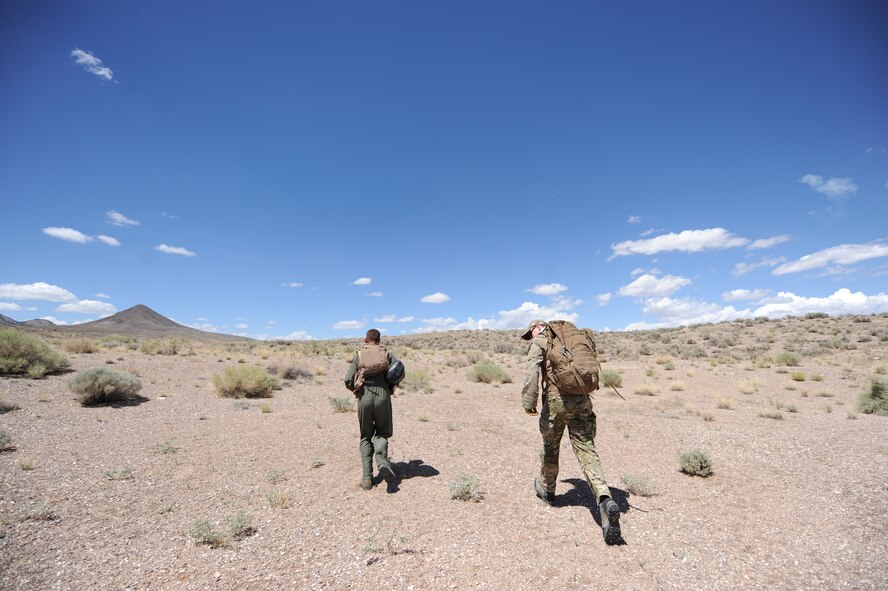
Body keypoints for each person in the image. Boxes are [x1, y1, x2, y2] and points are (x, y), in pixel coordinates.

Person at [521, 319, 621, 544]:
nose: (531, 336)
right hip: (582, 400)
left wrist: (529, 401)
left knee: (551, 446)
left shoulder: (541, 340)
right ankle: (604, 497)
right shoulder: (577, 336)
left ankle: (548, 489)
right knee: (586, 448)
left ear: (537, 327)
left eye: (531, 332)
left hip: (556, 401)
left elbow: (531, 371)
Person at [344, 328, 399, 491]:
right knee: (382, 433)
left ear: (366, 340)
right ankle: (382, 463)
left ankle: (367, 478)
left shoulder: (359, 355)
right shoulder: (387, 354)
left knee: (366, 436)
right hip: (383, 396)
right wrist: (390, 385)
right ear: (379, 340)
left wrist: (356, 390)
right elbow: (399, 370)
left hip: (364, 396)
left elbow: (347, 379)